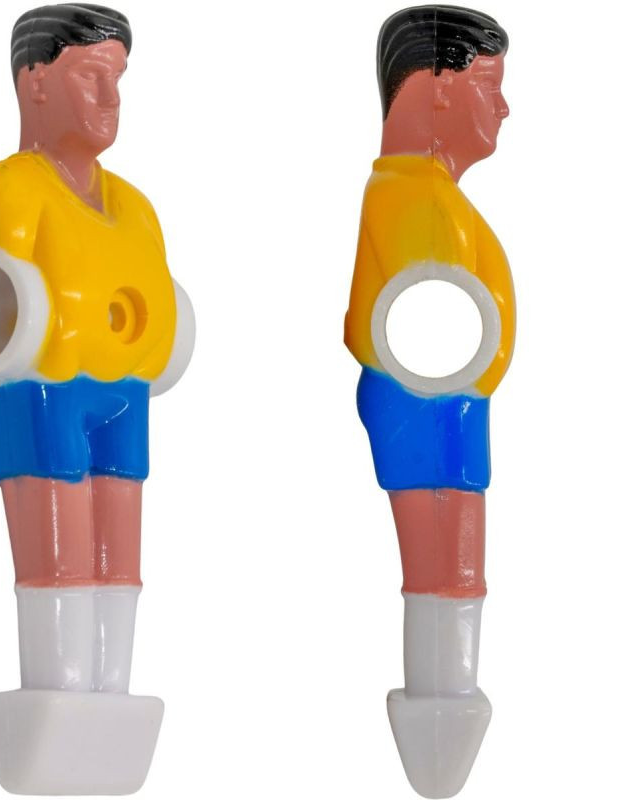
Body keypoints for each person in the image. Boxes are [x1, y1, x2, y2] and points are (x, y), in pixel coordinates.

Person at [0, 4, 194, 793]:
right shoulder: (1, 192)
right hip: (40, 392)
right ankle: (58, 703)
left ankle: (111, 703)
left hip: (128, 394)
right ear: (34, 82)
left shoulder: (138, 209)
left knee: (120, 557)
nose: (111, 97)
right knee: (61, 554)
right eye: (91, 76)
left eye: (118, 78)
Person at [344, 6, 512, 797]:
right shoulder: (412, 198)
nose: (503, 107)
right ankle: (440, 714)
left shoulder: (427, 195)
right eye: (489, 85)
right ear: (440, 89)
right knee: (449, 564)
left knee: (457, 566)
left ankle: (445, 709)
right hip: (428, 404)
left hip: (453, 405)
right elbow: (405, 321)